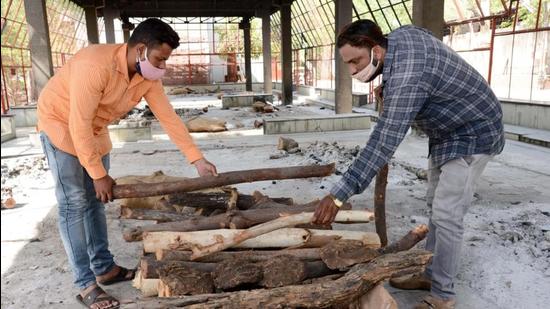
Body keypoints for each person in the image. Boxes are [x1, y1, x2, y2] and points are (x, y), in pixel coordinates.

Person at [312, 20, 504, 309]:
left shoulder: (408, 77)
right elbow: (420, 31)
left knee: (448, 214)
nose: (352, 70)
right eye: (347, 63)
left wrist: (340, 193)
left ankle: (442, 296)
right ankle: (429, 271)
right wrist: (389, 87)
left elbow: (383, 143)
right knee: (435, 206)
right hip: (446, 132)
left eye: (356, 61)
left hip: (473, 132)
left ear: (376, 49)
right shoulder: (399, 39)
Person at [37, 18, 217, 309]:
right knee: (74, 203)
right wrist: (97, 173)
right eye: (160, 58)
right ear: (141, 50)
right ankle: (85, 284)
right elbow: (78, 123)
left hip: (94, 130)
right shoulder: (94, 66)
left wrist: (196, 158)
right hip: (61, 124)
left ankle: (104, 268)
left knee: (96, 200)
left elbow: (168, 117)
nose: (162, 66)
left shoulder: (148, 76)